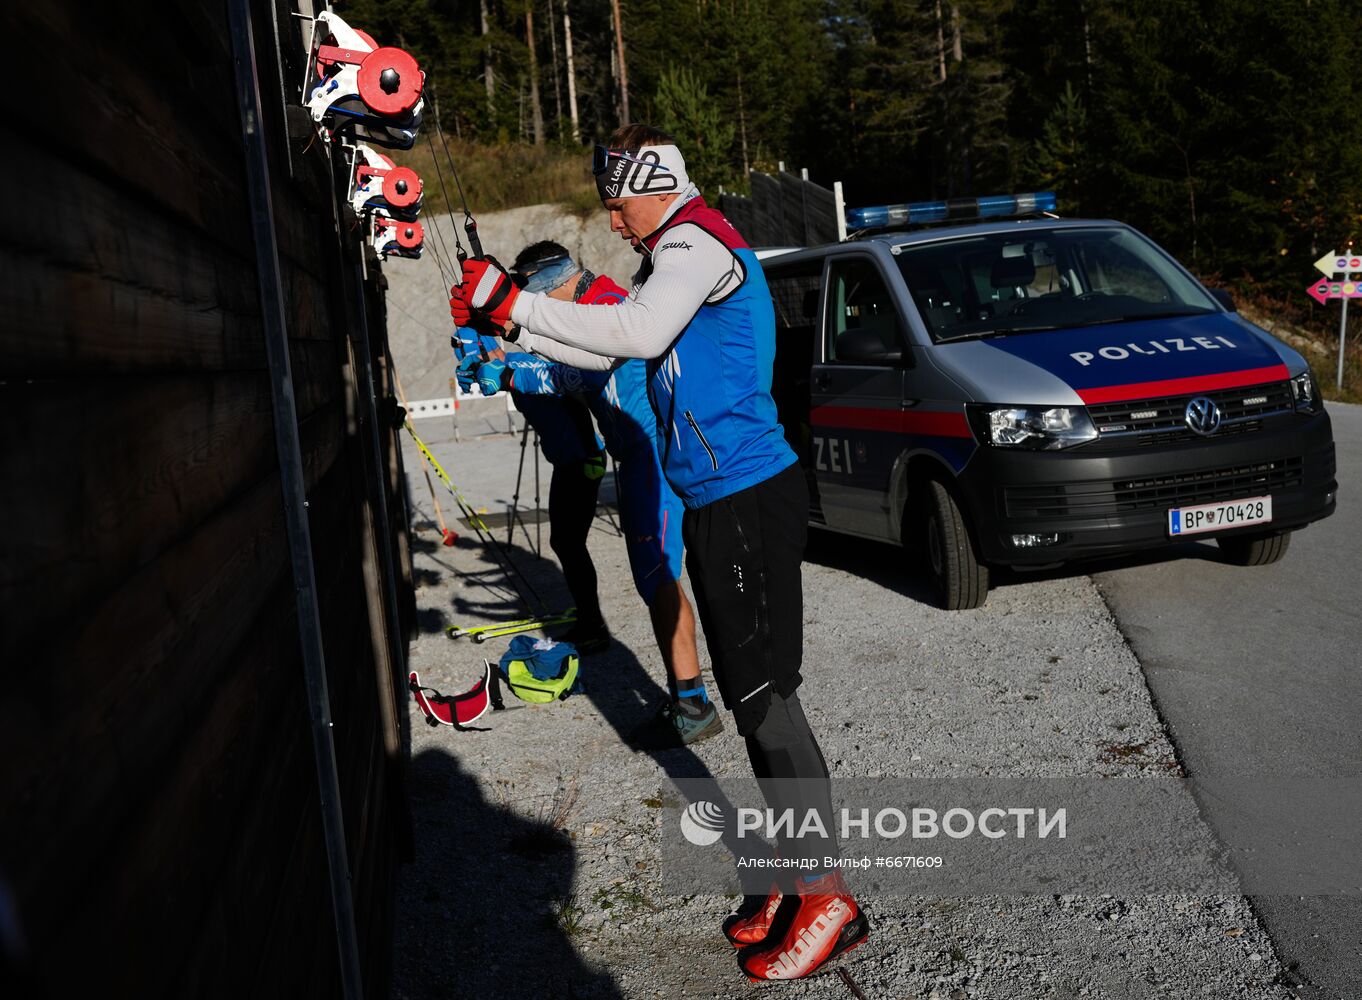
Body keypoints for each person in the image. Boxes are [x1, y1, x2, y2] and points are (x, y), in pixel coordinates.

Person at [450, 126, 869, 981]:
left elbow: (636, 335)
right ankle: (796, 877)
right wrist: (515, 333)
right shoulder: (671, 257)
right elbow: (610, 345)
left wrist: (518, 303)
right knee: (757, 707)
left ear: (655, 183)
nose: (609, 211)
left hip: (746, 498)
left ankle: (830, 896)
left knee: (766, 703)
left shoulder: (691, 241)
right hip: (725, 502)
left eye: (617, 193)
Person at [470, 240, 723, 747]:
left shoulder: (605, 306)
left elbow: (584, 368)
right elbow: (568, 373)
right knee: (653, 577)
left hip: (650, 454)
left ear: (549, 281)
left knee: (660, 574)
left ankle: (693, 703)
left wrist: (515, 368)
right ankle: (685, 696)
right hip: (631, 458)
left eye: (533, 297)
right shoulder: (588, 306)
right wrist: (506, 354)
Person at [452, 312, 610, 652]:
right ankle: (588, 617)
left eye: (481, 355)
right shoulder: (505, 367)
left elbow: (562, 390)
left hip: (583, 462)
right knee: (564, 543)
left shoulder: (520, 364)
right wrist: (472, 372)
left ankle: (592, 625)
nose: (480, 363)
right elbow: (489, 375)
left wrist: (592, 453)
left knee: (568, 544)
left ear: (493, 348)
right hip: (568, 462)